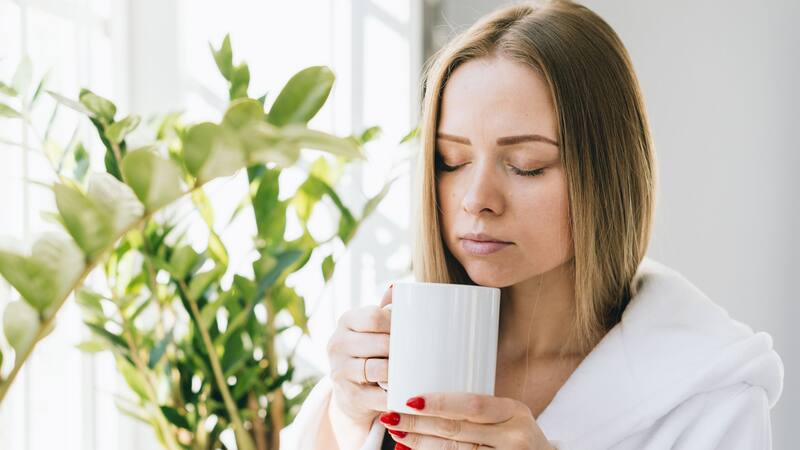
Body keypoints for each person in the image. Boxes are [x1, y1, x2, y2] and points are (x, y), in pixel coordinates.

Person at [280, 1, 784, 448]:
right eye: (451, 161)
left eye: (525, 165)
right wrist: (343, 418)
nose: (476, 200)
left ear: (607, 175)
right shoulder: (396, 354)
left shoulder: (710, 392)